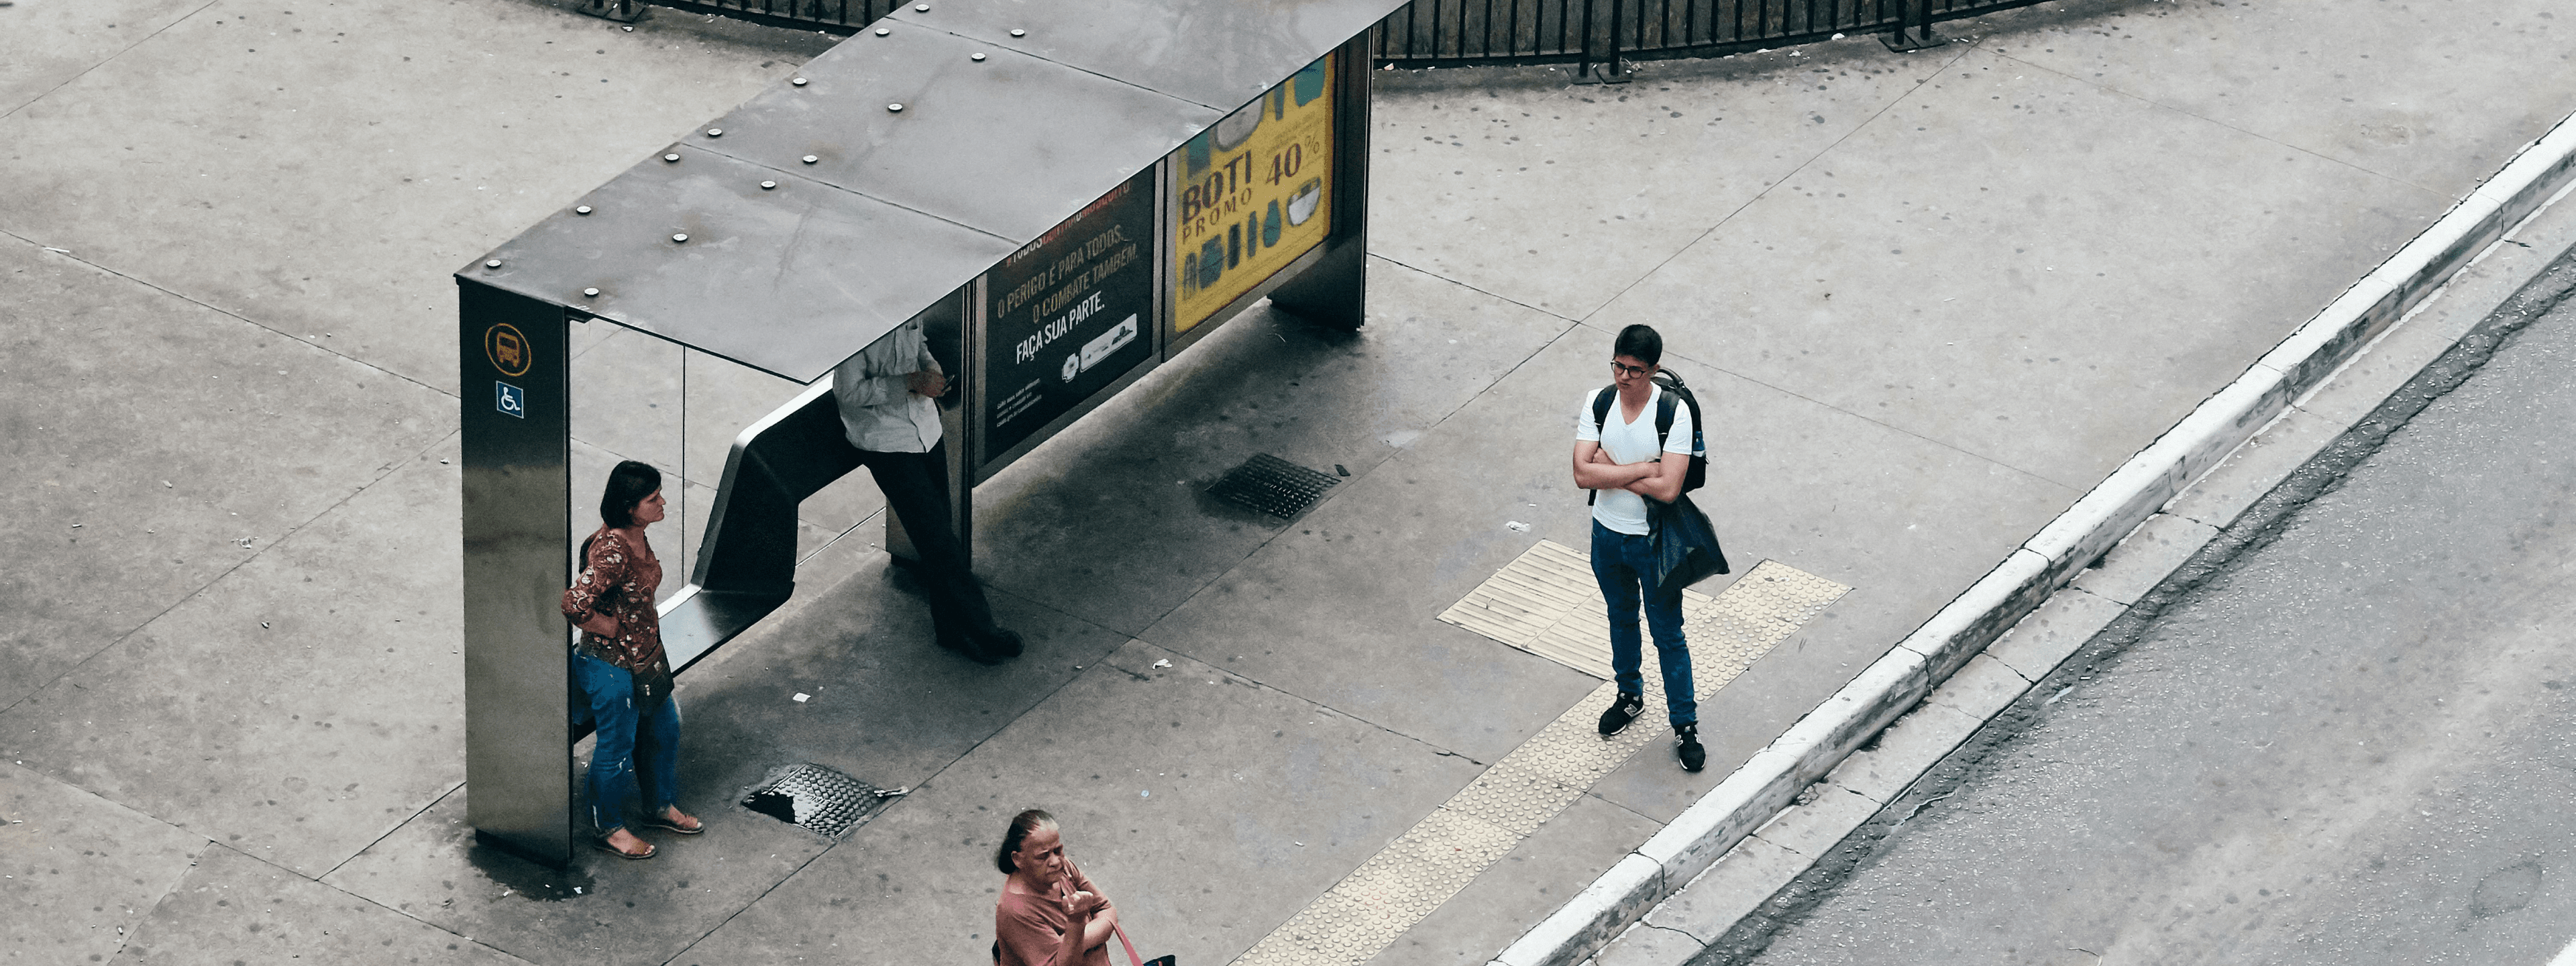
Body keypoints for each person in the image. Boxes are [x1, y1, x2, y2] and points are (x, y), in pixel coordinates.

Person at [833, 318, 1024, 664]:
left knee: (940, 536)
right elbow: (848, 392)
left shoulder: (908, 308)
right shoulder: (854, 327)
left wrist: (931, 370)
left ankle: (950, 628)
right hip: (887, 444)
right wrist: (909, 383)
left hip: (927, 431)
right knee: (938, 543)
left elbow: (919, 344)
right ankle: (983, 629)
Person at [1570, 324, 1705, 772]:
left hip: (1653, 541)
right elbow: (1580, 474)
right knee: (1620, 618)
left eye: (1635, 371)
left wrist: (1610, 466)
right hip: (1605, 534)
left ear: (1654, 370)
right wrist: (1639, 469)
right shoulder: (1599, 401)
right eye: (1619, 366)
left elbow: (1668, 490)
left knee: (1668, 633)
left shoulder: (1674, 412)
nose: (1625, 378)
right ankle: (1629, 695)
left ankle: (1685, 725)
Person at [561, 460, 704, 858]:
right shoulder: (610, 551)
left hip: (646, 659)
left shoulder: (637, 535)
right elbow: (574, 603)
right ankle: (609, 828)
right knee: (616, 747)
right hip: (611, 668)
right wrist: (605, 626)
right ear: (629, 507)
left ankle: (659, 806)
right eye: (652, 499)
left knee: (666, 730)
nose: (662, 503)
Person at [992, 810, 1119, 966]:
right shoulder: (1015, 910)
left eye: (1058, 850)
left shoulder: (1062, 869)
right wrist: (1077, 922)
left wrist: (1072, 942)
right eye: (1043, 856)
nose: (1055, 862)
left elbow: (1108, 911)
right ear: (1018, 859)